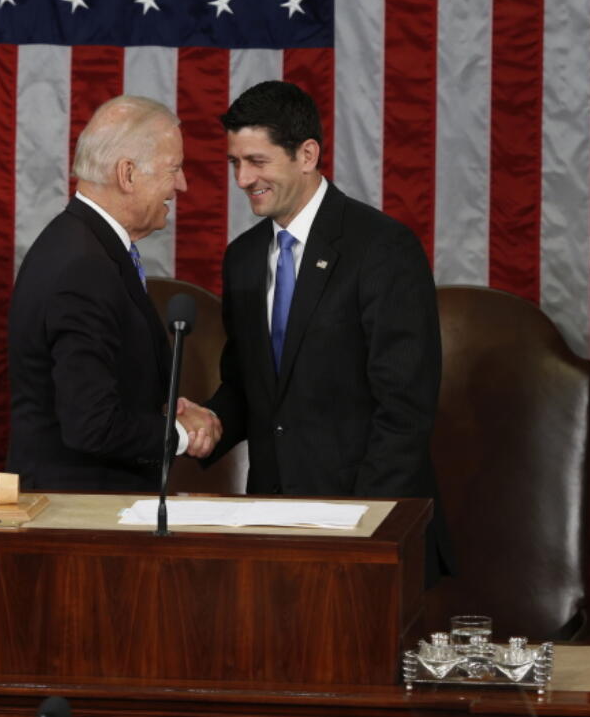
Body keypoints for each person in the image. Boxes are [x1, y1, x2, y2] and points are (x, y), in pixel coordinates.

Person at [187, 80, 452, 583]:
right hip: (272, 525)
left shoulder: (382, 249)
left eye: (257, 161)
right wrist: (208, 422)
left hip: (366, 527)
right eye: (234, 163)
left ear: (306, 154)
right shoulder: (242, 258)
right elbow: (250, 386)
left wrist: (360, 530)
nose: (243, 178)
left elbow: (405, 408)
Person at [7, 95, 220, 492]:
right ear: (127, 175)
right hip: (78, 518)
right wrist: (182, 436)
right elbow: (91, 425)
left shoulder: (84, 244)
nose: (182, 184)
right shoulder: (83, 267)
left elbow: (104, 384)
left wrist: (161, 414)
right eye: (173, 169)